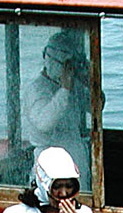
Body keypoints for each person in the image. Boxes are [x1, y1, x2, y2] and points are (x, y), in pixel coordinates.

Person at [23, 30, 94, 190]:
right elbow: (44, 123)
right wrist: (65, 89)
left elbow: (96, 106)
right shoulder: (37, 89)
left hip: (75, 158)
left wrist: (89, 80)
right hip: (51, 164)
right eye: (67, 65)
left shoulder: (72, 86)